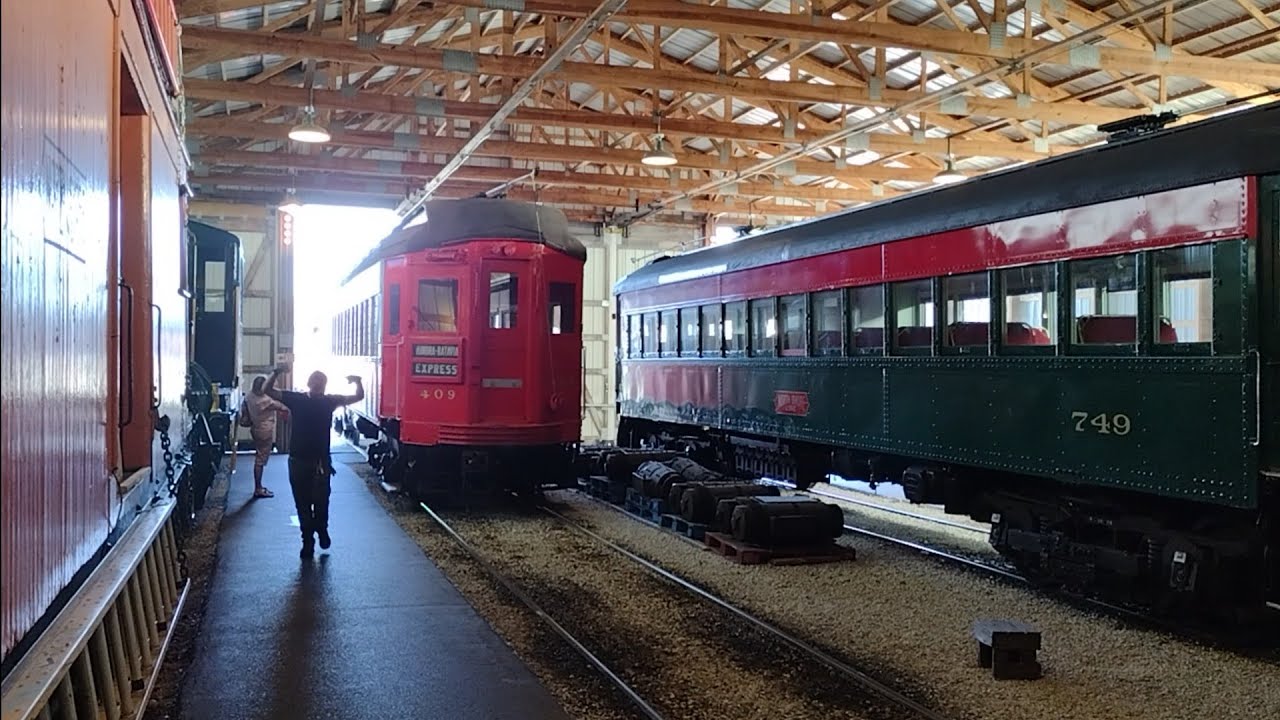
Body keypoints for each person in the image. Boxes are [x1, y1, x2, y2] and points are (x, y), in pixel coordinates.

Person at [264, 365, 364, 558]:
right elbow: (358, 396)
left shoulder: (298, 399)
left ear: (309, 384)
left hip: (299, 461)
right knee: (321, 501)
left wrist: (276, 373)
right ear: (320, 386)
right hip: (320, 463)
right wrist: (357, 381)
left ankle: (308, 541)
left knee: (302, 503)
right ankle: (320, 531)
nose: (318, 386)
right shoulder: (329, 401)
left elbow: (268, 391)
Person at [243, 376, 289, 499]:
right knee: (260, 460)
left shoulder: (249, 396)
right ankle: (258, 488)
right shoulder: (264, 401)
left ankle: (259, 487)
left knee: (259, 457)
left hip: (255, 429)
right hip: (265, 431)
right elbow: (282, 407)